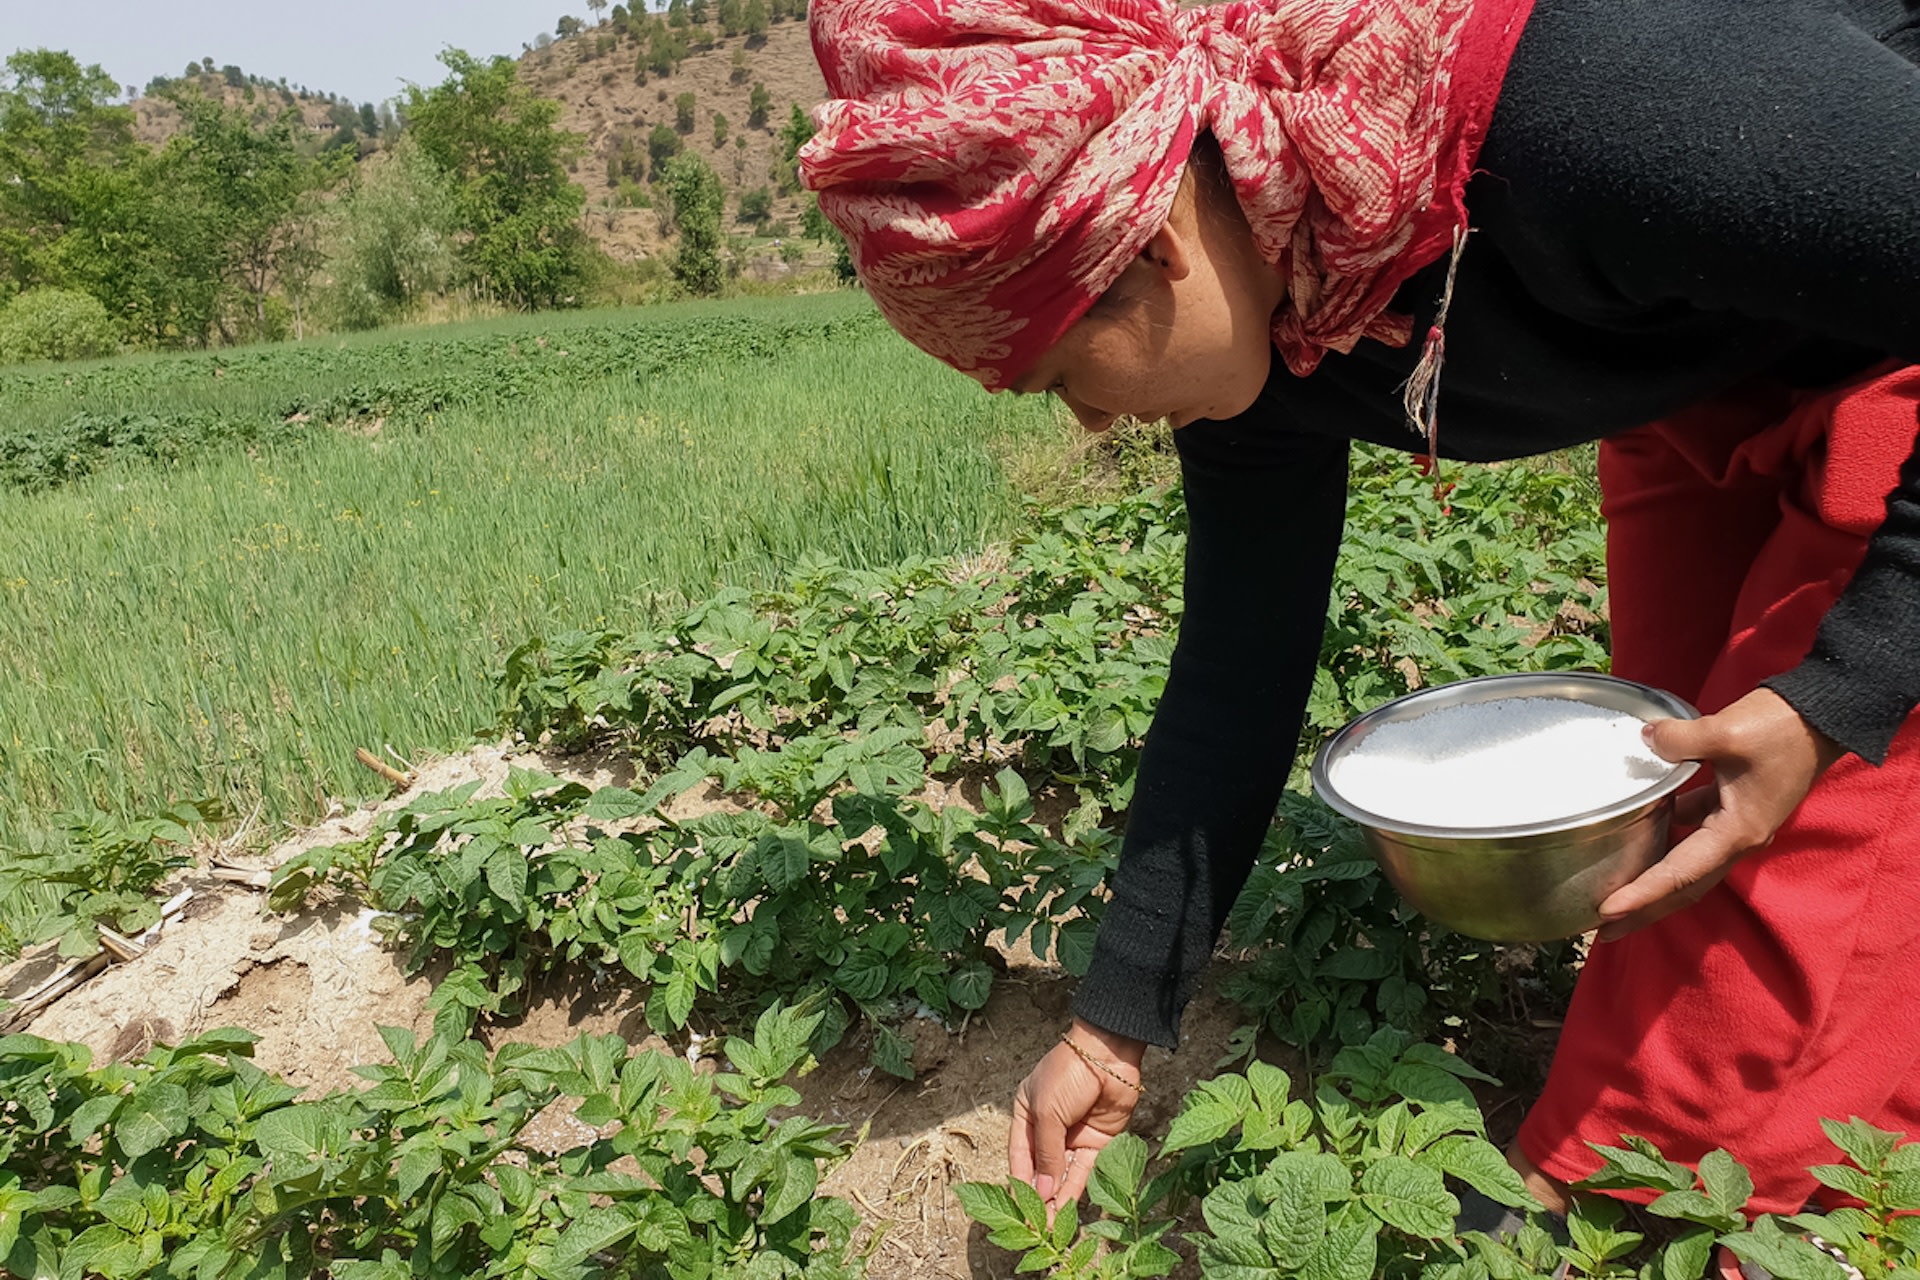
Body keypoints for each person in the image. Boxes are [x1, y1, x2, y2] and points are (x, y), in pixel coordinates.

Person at [800, 0, 1920, 1231]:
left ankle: (1720, 1215)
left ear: (1159, 244)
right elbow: (1241, 657)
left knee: (1820, 814)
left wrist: (1845, 688)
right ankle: (1659, 1146)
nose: (1086, 423)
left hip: (1882, 317)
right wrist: (1115, 1020)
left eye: (1062, 375)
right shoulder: (1268, 323)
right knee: (1684, 797)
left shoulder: (1591, 115)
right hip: (1703, 345)